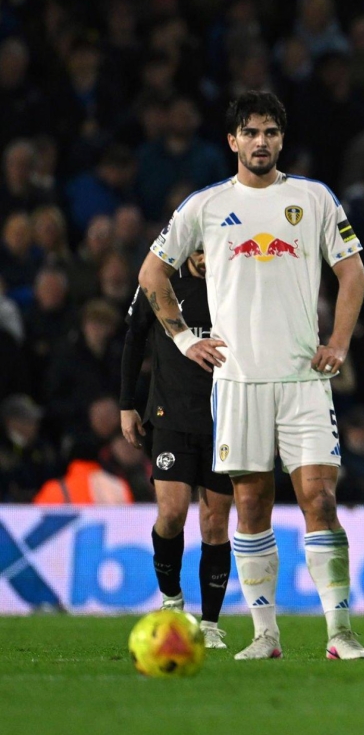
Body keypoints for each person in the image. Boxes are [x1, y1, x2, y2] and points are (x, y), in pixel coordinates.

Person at [136, 90, 364, 661]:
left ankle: (340, 633)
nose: (260, 142)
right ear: (233, 142)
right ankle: (265, 636)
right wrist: (187, 339)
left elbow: (353, 272)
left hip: (302, 379)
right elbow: (151, 275)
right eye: (251, 133)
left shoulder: (313, 198)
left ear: (281, 139)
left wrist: (337, 342)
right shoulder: (206, 206)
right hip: (237, 383)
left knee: (319, 496)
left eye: (270, 132)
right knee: (251, 505)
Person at [121, 248, 234, 649]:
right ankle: (172, 599)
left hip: (225, 419)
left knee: (215, 523)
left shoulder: (234, 283)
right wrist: (127, 405)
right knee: (171, 513)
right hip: (170, 417)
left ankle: (210, 623)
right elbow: (135, 338)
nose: (206, 258)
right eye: (200, 250)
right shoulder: (159, 282)